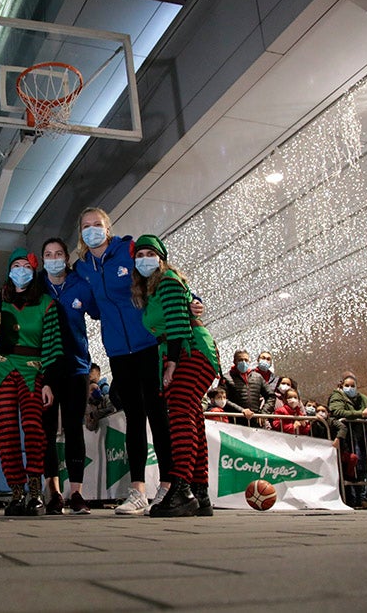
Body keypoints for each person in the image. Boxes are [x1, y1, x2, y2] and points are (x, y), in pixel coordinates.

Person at [72, 208, 171, 515]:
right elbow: (93, 307)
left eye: (97, 225)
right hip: (118, 351)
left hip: (148, 344)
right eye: (86, 226)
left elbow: (162, 272)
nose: (92, 231)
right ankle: (138, 491)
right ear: (80, 233)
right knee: (134, 418)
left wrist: (191, 297)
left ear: (108, 227)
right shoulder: (82, 267)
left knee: (157, 413)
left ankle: (168, 485)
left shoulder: (128, 251)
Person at [131, 234, 219, 517]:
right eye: (140, 254)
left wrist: (172, 362)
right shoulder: (154, 289)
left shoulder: (167, 281)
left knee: (180, 412)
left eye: (150, 253)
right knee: (191, 414)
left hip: (188, 349)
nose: (144, 258)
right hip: (185, 350)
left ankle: (180, 488)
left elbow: (179, 323)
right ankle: (199, 490)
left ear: (161, 258)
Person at [0, 248, 62, 516]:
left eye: (26, 266)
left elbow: (54, 348)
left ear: (34, 272)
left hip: (35, 372)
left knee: (34, 432)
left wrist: (48, 383)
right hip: (4, 369)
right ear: (9, 271)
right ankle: (16, 492)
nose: (21, 270)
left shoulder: (47, 304)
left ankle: (35, 492)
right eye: (16, 265)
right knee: (5, 432)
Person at [39, 237, 98, 515]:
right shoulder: (36, 287)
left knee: (74, 428)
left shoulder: (80, 284)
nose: (53, 258)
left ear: (66, 257)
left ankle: (76, 493)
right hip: (46, 369)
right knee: (46, 432)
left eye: (58, 253)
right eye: (48, 254)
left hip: (77, 368)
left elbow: (101, 309)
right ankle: (54, 493)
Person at [328, 373, 367, 509]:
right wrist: (361, 414)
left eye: (352, 386)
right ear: (341, 385)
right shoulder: (337, 396)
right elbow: (337, 412)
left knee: (363, 466)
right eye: (347, 386)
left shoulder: (363, 398)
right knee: (353, 466)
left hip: (362, 434)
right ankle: (352, 498)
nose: (350, 388)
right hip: (348, 437)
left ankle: (362, 496)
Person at [221, 350, 269, 426]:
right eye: (240, 360)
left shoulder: (257, 377)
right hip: (235, 422)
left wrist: (264, 413)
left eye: (246, 360)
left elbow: (271, 396)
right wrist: (241, 410)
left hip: (256, 422)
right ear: (234, 361)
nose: (243, 362)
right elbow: (222, 399)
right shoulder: (226, 378)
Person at [85, 362, 117, 431]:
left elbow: (111, 408)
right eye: (88, 372)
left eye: (91, 371)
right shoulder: (89, 402)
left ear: (98, 373)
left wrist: (94, 415)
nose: (89, 374)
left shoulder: (105, 389)